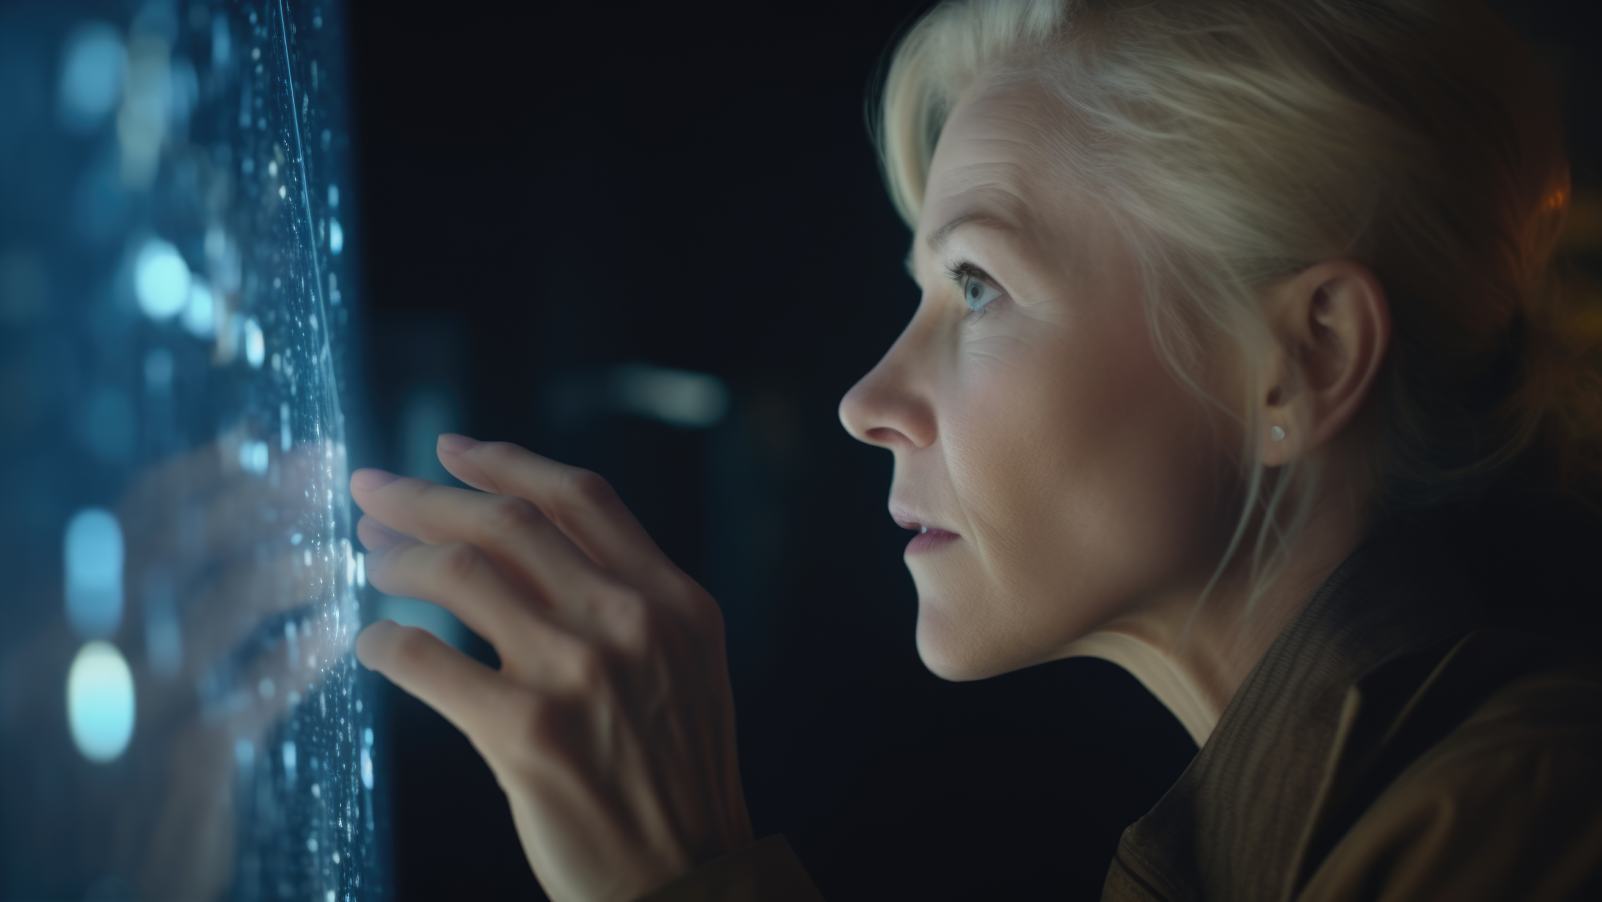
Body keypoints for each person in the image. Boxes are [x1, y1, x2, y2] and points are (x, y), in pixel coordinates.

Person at [346, 0, 1602, 899]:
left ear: (1309, 359)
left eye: (978, 285)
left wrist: (686, 881)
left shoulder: (1518, 822)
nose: (867, 397)